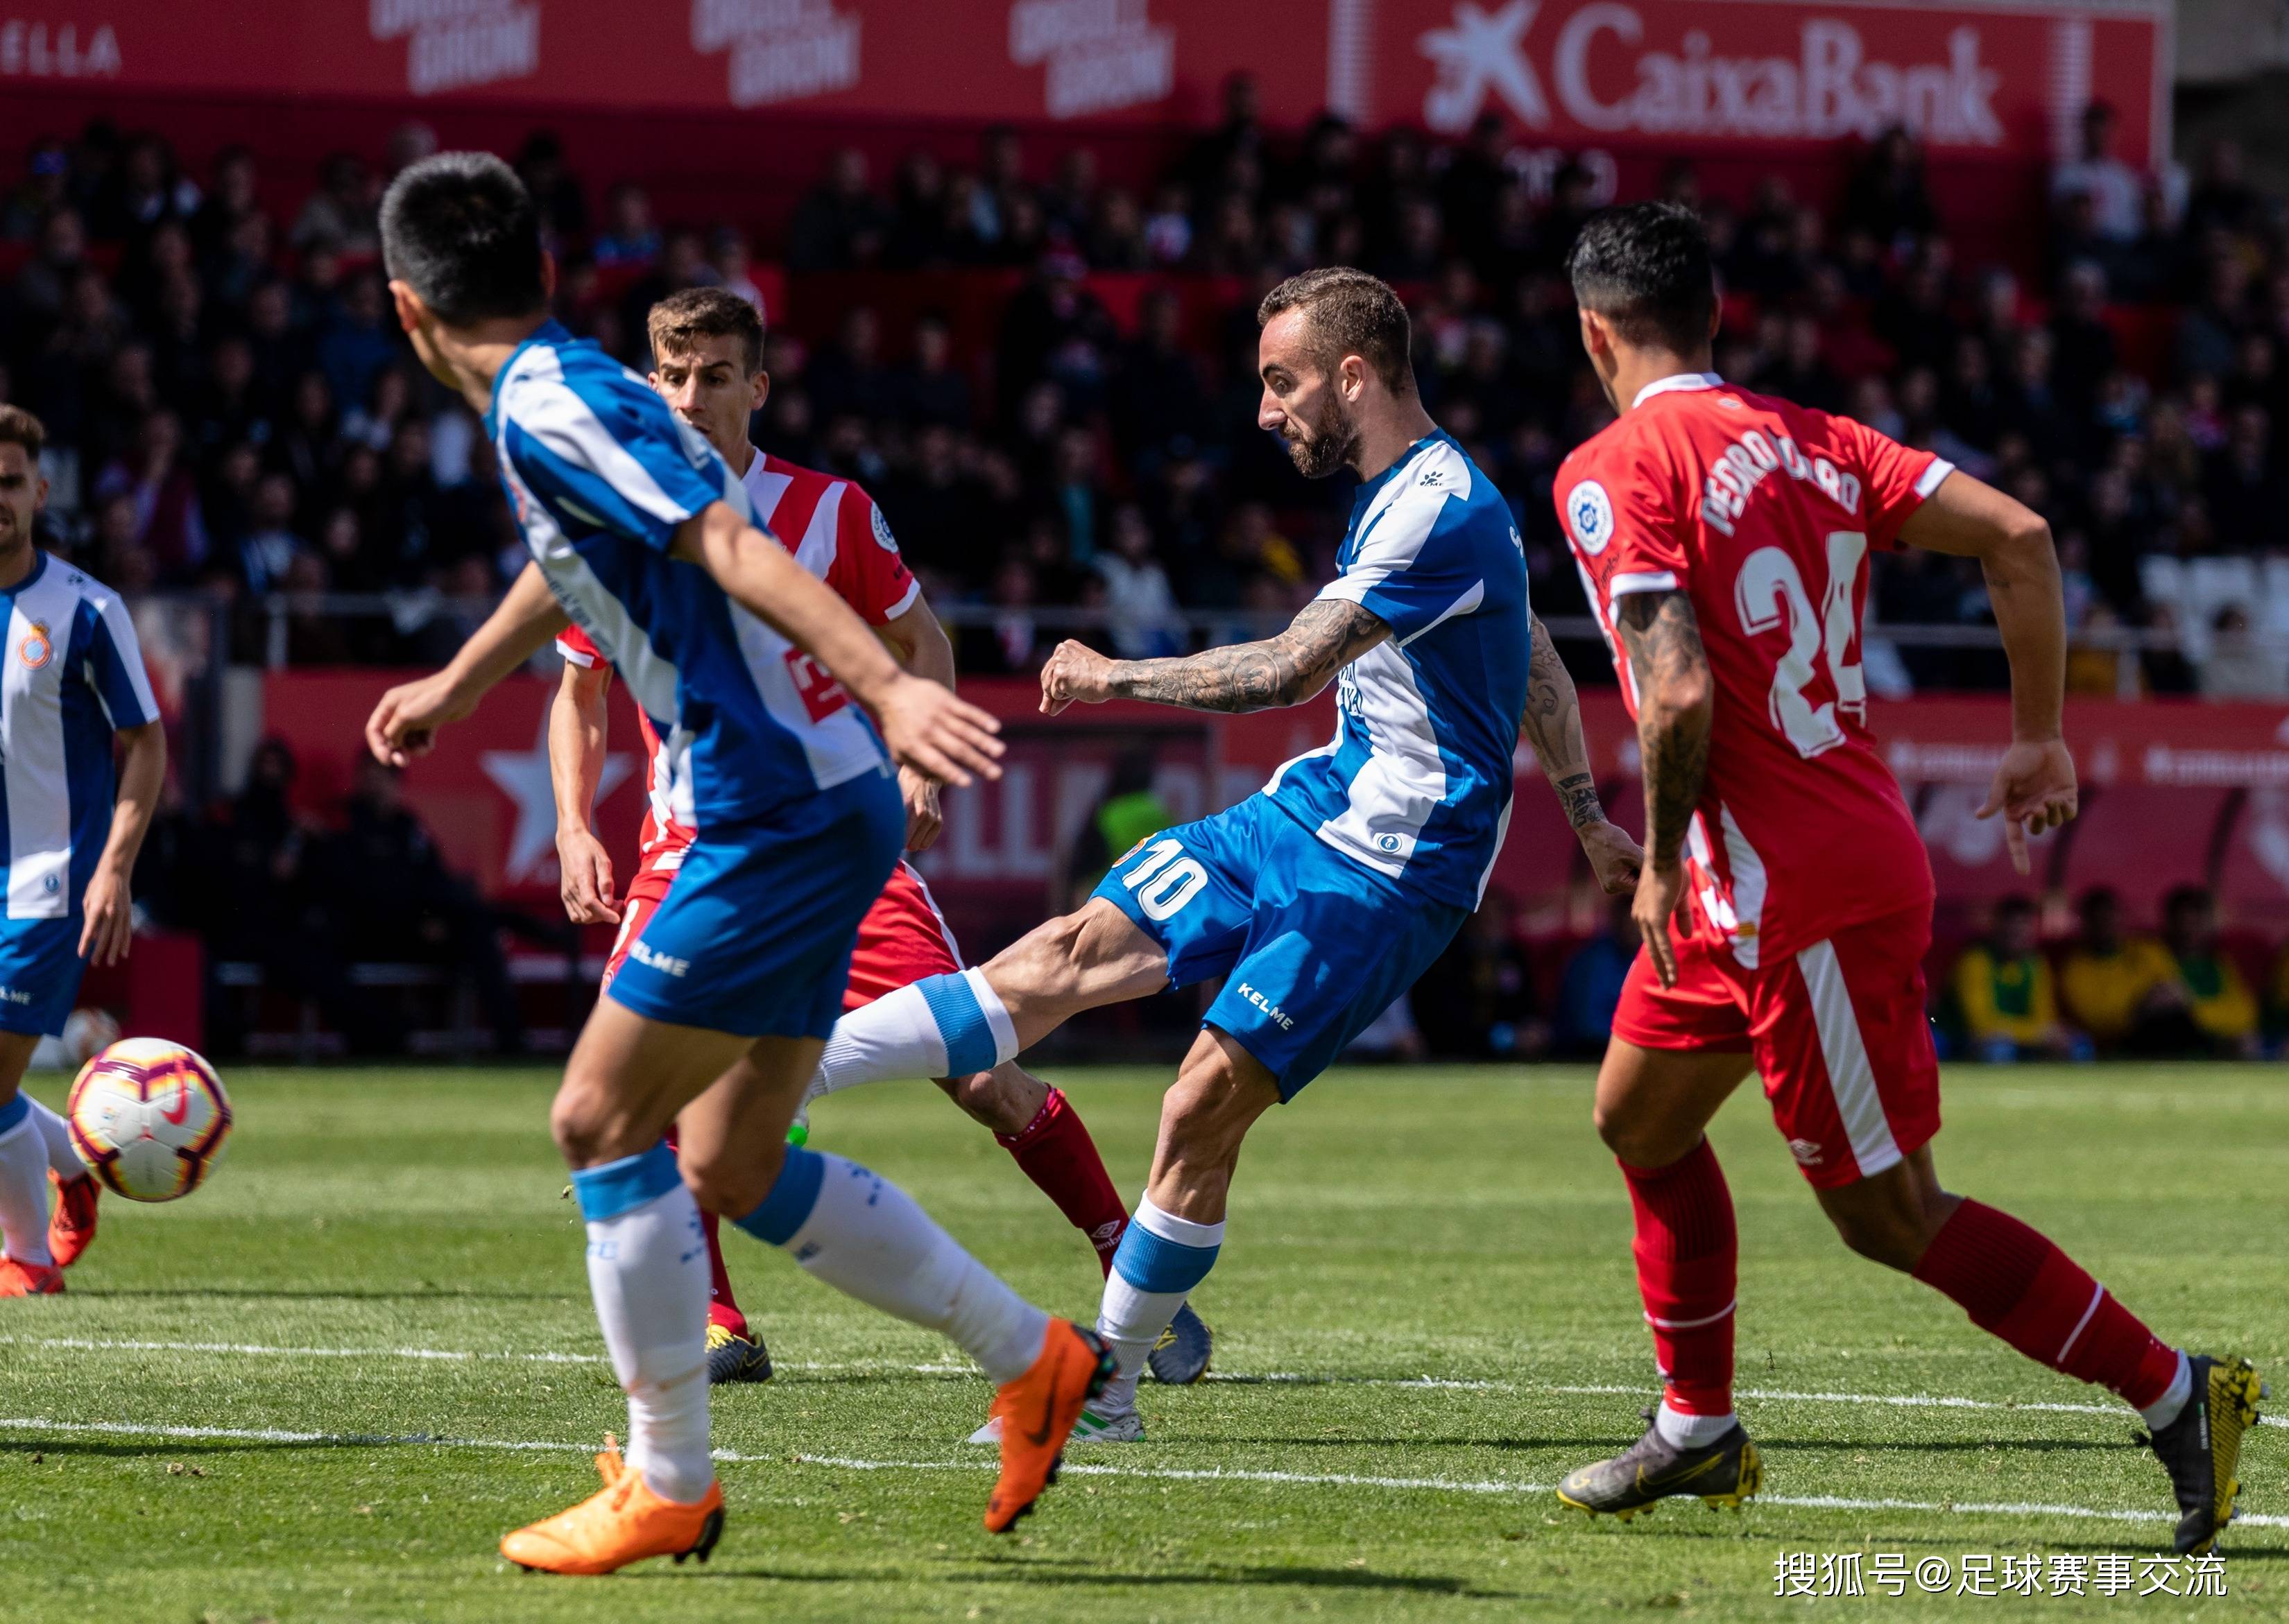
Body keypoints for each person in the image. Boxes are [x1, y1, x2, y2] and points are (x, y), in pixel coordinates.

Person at [361, 154, 1110, 1575]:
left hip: (759, 806)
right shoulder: (586, 391)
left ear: (407, 310)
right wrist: (463, 680)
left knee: (600, 1120)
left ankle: (671, 1480)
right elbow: (588, 557)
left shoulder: (549, 400)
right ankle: (1033, 1358)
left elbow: (718, 536)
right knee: (731, 1151)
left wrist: (889, 691)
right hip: (824, 807)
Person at [803, 268, 1645, 1442]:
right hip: (1301, 812)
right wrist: (1586, 808)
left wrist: (1112, 675)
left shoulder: (1438, 509)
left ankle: (1111, 1387)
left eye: (1281, 381)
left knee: (1199, 1102)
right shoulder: (1426, 496)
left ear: (1355, 375)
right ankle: (782, 1075)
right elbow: (1535, 656)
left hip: (1392, 871)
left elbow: (1285, 672)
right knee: (1067, 951)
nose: (1265, 410)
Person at [1548, 202, 2257, 1555]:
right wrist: (2040, 730)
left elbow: (1678, 692)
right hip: (1758, 879)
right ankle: (1698, 1430)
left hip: (1794, 894)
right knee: (1639, 1117)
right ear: (1716, 318)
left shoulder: (1611, 469)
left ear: (1594, 333)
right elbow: (2026, 538)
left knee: (1890, 1215)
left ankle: (2180, 1394)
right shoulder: (1823, 444)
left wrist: (1654, 867)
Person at [547, 286, 1206, 1394]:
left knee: (984, 1078)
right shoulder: (618, 518)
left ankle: (1125, 1262)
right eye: (672, 372)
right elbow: (579, 685)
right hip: (689, 856)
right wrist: (573, 823)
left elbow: (921, 640)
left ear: (757, 387)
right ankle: (718, 1321)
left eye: (715, 374)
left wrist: (916, 754)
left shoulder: (828, 512)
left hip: (835, 854)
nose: (691, 394)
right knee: (644, 1088)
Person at [0, 404, 168, 1296]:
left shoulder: (86, 610)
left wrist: (113, 866)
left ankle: (27, 1259)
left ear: (40, 489)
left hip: (46, 879)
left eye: (9, 482)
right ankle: (70, 1160)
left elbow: (146, 740)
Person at [2058, 885, 2184, 1054]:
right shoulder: (2074, 968)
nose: (2105, 924)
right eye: (2098, 918)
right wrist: (2141, 1009)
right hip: (2114, 1043)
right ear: (2085, 923)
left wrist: (2163, 1001)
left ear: (2122, 917)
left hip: (2165, 1029)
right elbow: (2096, 1021)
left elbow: (2178, 993)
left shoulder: (2149, 951)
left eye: (2110, 916)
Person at [1951, 895, 2079, 1061]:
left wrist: (2040, 1034)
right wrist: (2036, 1034)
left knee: (2078, 1046)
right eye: (2011, 926)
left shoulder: (2036, 964)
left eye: (2024, 926)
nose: (2017, 932)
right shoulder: (1976, 961)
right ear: (1996, 927)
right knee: (1999, 1050)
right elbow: (1980, 1024)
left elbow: (2045, 1018)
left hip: (2020, 1040)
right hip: (1964, 1040)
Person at [2155, 885, 2260, 1059]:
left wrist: (2191, 1006)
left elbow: (2244, 1015)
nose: (2187, 931)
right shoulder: (2152, 958)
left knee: (2246, 1041)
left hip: (2208, 1043)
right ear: (2168, 922)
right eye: (2181, 922)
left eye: (2194, 923)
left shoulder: (2218, 965)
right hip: (2158, 1047)